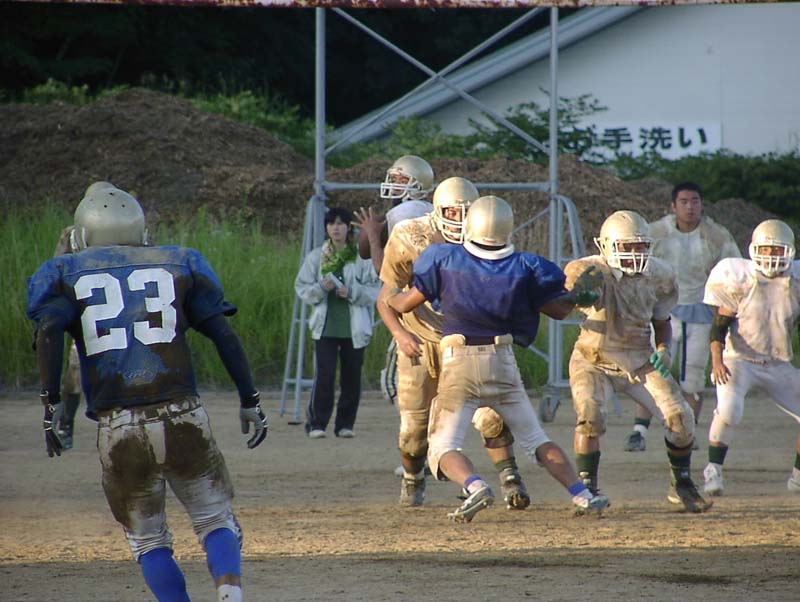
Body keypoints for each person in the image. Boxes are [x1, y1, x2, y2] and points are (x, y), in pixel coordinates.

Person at [27, 183, 268, 602]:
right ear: (141, 229)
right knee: (215, 520)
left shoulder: (64, 272)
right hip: (182, 411)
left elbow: (49, 330)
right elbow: (222, 332)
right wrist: (250, 399)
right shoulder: (179, 261)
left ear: (82, 234)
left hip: (119, 424)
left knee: (150, 540)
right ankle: (230, 592)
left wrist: (51, 407)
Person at [386, 196, 609, 522]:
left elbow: (405, 303)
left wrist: (391, 298)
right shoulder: (525, 267)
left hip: (459, 360)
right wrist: (576, 297)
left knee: (443, 447)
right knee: (537, 439)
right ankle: (583, 495)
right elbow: (558, 311)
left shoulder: (444, 258)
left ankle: (475, 485)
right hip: (502, 360)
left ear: (471, 225)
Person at [377, 177, 532, 511]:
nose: (459, 220)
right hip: (421, 340)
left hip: (468, 341)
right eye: (451, 212)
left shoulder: (487, 234)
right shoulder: (409, 235)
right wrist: (401, 335)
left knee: (490, 416)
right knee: (413, 431)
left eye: (466, 212)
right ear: (437, 210)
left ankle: (510, 477)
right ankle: (413, 479)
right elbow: (386, 296)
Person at [565, 209, 712, 513]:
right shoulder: (589, 269)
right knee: (590, 416)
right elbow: (565, 303)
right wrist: (578, 295)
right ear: (606, 246)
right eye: (627, 246)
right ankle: (587, 488)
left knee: (681, 418)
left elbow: (662, 320)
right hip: (594, 359)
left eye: (640, 246)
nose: (634, 254)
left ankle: (681, 483)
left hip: (640, 358)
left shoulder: (660, 274)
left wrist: (663, 347)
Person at [623, 182, 741, 452]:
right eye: (684, 202)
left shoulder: (716, 235)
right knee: (652, 371)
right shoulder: (655, 232)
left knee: (693, 378)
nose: (690, 207)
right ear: (673, 206)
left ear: (702, 204)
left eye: (695, 201)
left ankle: (688, 431)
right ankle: (639, 431)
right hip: (661, 312)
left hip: (699, 312)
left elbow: (732, 271)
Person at [702, 219, 800, 496]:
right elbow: (719, 326)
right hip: (739, 360)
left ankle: (798, 477)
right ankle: (713, 470)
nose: (771, 257)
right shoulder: (739, 277)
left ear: (789, 252)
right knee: (730, 411)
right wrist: (717, 360)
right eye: (765, 250)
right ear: (754, 250)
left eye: (777, 250)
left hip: (778, 362)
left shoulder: (795, 282)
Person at [353, 155, 436, 408]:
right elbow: (364, 251)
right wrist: (374, 228)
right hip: (431, 299)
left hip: (414, 304)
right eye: (395, 178)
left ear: (418, 184)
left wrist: (372, 234)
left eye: (402, 180)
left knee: (394, 384)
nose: (395, 184)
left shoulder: (405, 213)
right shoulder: (426, 210)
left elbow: (383, 269)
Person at [294, 207, 380, 439]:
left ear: (349, 228)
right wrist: (321, 288)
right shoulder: (316, 257)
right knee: (325, 375)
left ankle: (345, 424)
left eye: (341, 224)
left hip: (355, 328)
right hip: (325, 327)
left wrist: (352, 292)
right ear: (326, 228)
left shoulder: (361, 257)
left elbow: (375, 290)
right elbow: (302, 287)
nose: (336, 228)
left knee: (352, 377)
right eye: (332, 223)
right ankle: (317, 424)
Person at [53, 181, 119, 450]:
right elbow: (57, 269)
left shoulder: (126, 230)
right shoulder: (72, 234)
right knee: (76, 370)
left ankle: (117, 424)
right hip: (88, 309)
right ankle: (66, 424)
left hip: (118, 307)